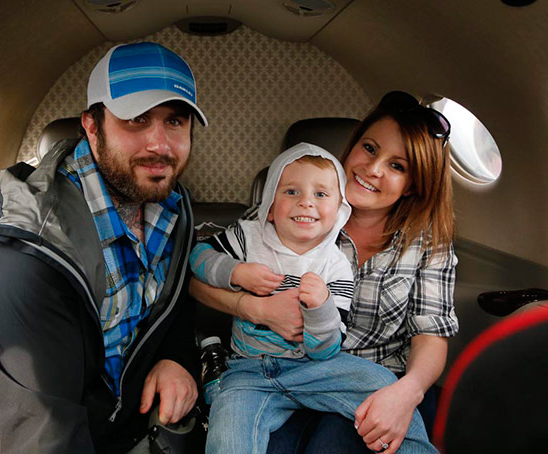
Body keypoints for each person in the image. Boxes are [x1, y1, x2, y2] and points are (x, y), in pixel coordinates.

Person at [0, 42, 208, 454]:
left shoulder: (171, 206)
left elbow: (171, 306)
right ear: (91, 125)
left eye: (175, 121)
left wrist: (177, 358)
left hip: (127, 424)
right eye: (137, 119)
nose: (160, 145)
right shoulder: (27, 250)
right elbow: (40, 432)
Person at [190, 90, 458, 454]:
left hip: (367, 377)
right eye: (369, 148)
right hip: (263, 368)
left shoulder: (426, 244)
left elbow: (431, 335)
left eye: (398, 166)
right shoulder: (280, 216)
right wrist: (253, 306)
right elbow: (199, 279)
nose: (373, 169)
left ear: (412, 184)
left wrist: (405, 393)